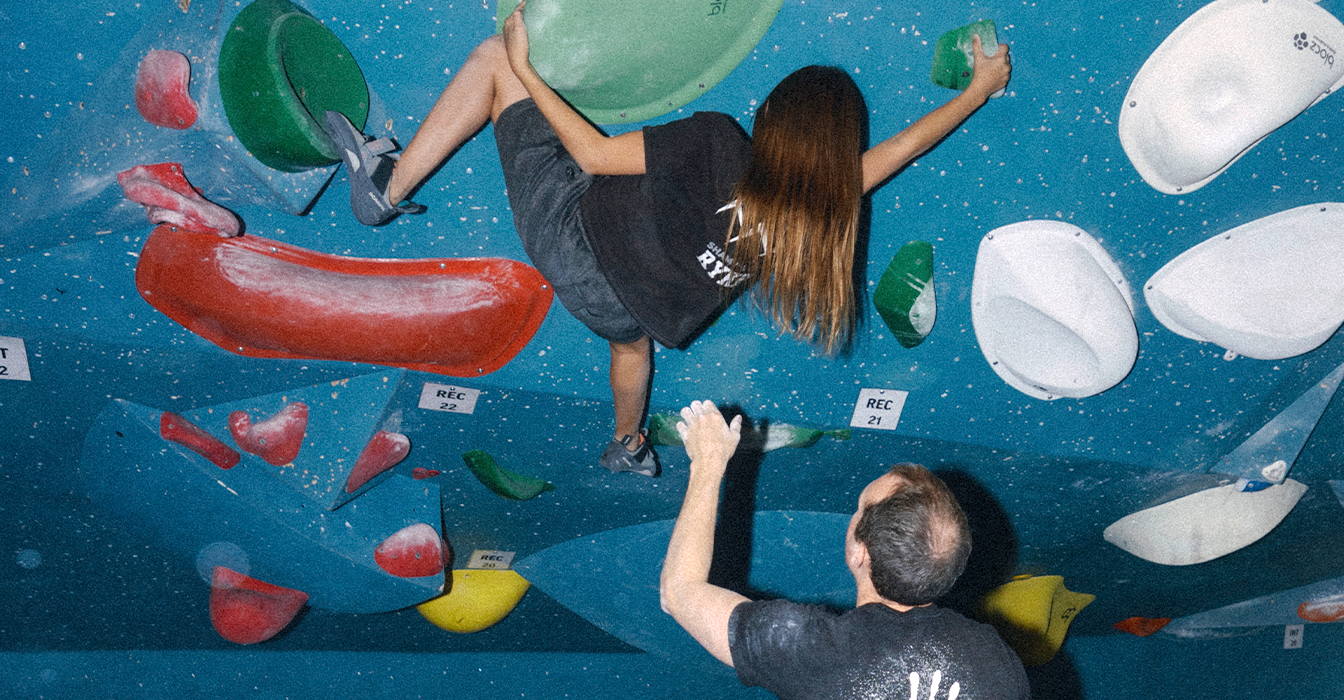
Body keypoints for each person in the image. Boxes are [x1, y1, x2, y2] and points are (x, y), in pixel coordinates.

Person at [322, 4, 1011, 476]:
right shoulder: (815, 211)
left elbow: (591, 155)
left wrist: (526, 70)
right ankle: (626, 447)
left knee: (492, 58)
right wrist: (976, 93)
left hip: (573, 235)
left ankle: (384, 188)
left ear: (772, 117)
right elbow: (904, 148)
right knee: (630, 347)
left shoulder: (717, 140)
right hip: (638, 307)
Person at [660, 400, 1029, 699]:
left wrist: (707, 463)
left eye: (858, 508)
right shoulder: (997, 663)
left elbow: (678, 592)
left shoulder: (811, 651)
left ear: (859, 553)